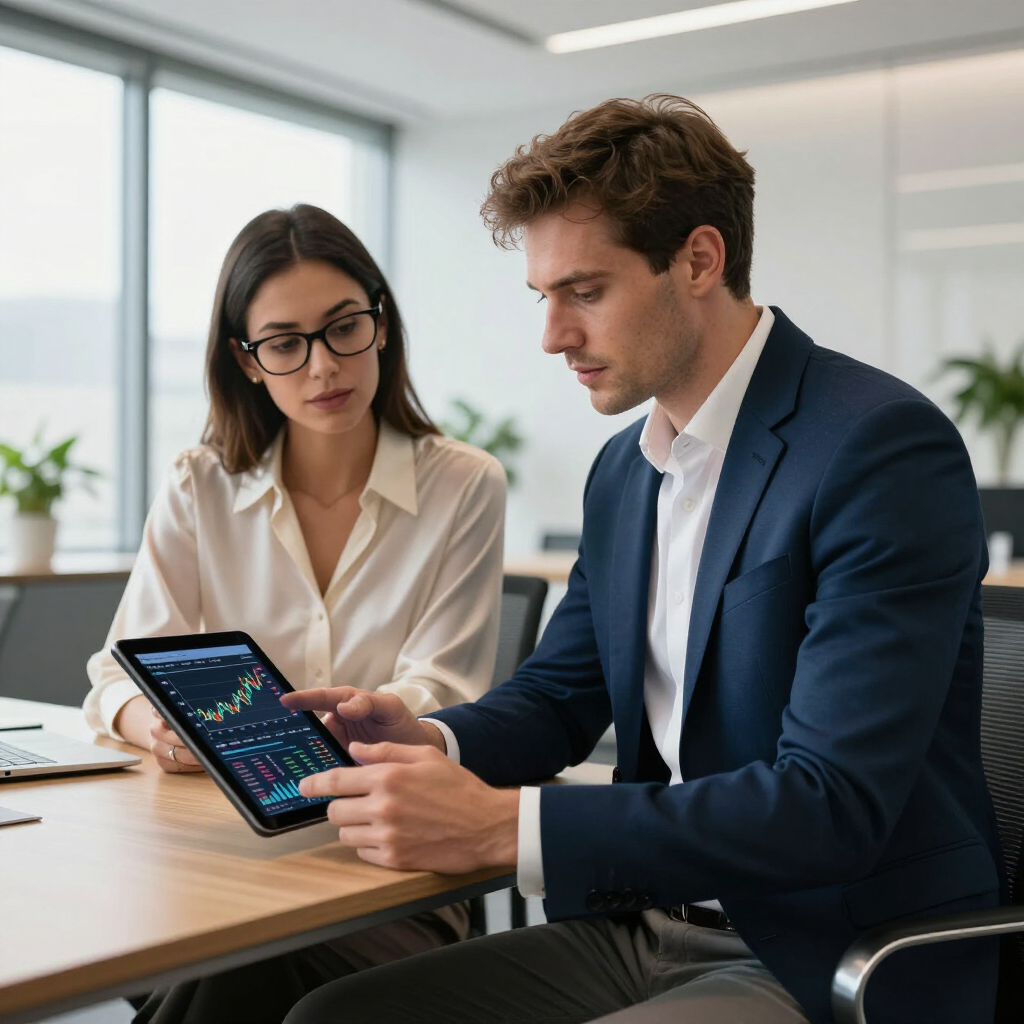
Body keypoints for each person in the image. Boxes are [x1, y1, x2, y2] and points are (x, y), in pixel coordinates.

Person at [279, 96, 1005, 1024]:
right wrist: (433, 740)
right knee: (331, 1017)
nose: (553, 335)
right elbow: (559, 696)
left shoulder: (877, 447)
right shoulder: (626, 471)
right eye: (545, 297)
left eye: (585, 291)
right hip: (643, 923)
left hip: (822, 949)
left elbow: (831, 803)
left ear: (699, 259)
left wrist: (506, 824)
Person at [83, 204, 506, 1024]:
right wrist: (156, 727)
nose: (322, 367)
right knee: (227, 959)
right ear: (246, 361)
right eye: (284, 343)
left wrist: (323, 736)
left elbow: (444, 689)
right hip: (222, 850)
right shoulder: (200, 483)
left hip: (393, 860)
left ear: (380, 324)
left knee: (232, 969)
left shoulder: (463, 484)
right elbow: (118, 669)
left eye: (344, 327)